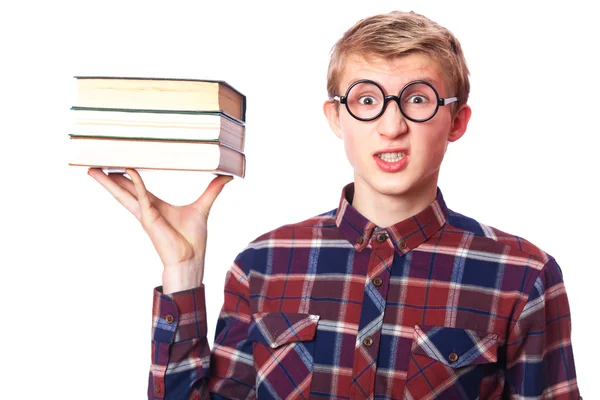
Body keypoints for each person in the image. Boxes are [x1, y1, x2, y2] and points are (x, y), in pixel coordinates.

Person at [88, 10, 581, 400]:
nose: (391, 127)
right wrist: (183, 269)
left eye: (418, 100)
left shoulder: (525, 276)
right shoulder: (261, 265)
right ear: (336, 117)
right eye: (368, 101)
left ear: (456, 122)